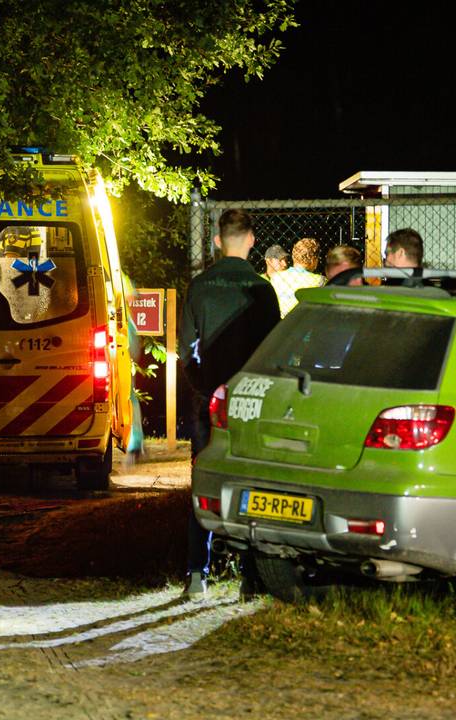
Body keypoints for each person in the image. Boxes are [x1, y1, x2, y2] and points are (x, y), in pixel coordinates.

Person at [179, 209, 281, 598]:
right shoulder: (261, 289)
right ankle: (251, 579)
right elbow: (273, 350)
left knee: (203, 480)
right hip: (250, 401)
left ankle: (196, 574)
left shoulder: (200, 287)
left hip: (208, 401)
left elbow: (185, 350)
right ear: (252, 240)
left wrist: (203, 385)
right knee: (253, 483)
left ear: (218, 241)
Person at [269, 237, 326, 316]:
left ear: (293, 256)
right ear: (314, 259)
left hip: (279, 324)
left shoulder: (276, 278)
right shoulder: (320, 280)